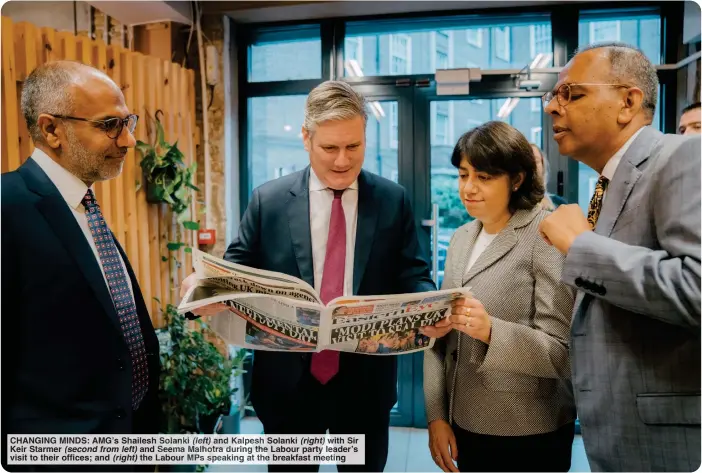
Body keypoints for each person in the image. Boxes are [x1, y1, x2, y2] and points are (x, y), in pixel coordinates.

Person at [181, 80, 435, 472]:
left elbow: (413, 272)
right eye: (329, 148)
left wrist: (428, 306)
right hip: (289, 386)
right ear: (306, 137)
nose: (342, 161)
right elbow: (234, 268)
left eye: (354, 147)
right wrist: (203, 289)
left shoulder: (391, 199)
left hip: (364, 383)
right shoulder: (270, 200)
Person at [540, 42, 701, 472]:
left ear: (628, 102)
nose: (553, 109)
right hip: (617, 432)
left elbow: (697, 287)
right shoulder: (608, 183)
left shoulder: (683, 156)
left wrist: (580, 247)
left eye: (570, 94)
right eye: (552, 97)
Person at [1, 61, 161, 469]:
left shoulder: (83, 204)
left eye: (128, 122)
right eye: (109, 125)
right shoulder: (8, 207)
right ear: (52, 130)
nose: (128, 140)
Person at [422, 121, 576, 473]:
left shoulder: (545, 234)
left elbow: (563, 353)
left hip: (527, 430)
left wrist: (492, 330)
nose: (468, 188)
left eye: (485, 177)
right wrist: (436, 415)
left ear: (517, 179)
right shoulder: (461, 237)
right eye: (463, 175)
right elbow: (441, 340)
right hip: (464, 420)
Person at [530, 143, 568, 209]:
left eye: (536, 161)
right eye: (528, 161)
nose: (532, 166)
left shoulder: (559, 203)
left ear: (543, 165)